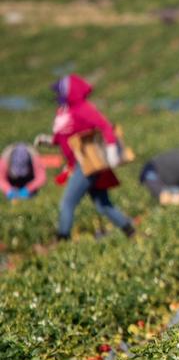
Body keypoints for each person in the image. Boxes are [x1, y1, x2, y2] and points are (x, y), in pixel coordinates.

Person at [37, 74, 134, 240]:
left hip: (86, 165)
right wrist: (49, 140)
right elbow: (64, 136)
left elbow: (106, 127)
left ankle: (62, 238)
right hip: (80, 165)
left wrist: (111, 151)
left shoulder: (83, 108)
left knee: (67, 203)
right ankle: (130, 231)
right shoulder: (66, 111)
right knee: (103, 204)